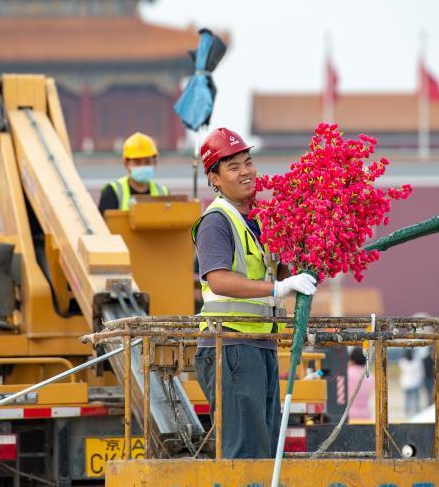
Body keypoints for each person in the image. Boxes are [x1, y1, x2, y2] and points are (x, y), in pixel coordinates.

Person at [191, 127, 316, 458]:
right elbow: (219, 280)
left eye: (247, 162)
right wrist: (279, 287)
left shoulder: (260, 218)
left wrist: (304, 266)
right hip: (231, 345)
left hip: (260, 343)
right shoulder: (217, 221)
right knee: (246, 453)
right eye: (233, 167)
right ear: (215, 178)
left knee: (264, 450)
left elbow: (277, 270)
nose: (245, 172)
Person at [97, 132, 168, 214]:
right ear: (126, 163)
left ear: (155, 162)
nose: (143, 166)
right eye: (137, 162)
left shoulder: (163, 193)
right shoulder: (113, 192)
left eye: (147, 161)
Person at [346, 346, 375, 423]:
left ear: (351, 360)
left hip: (349, 415)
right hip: (366, 415)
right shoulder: (370, 376)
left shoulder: (347, 373)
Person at [399, 348, 425, 417]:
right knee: (415, 399)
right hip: (415, 383)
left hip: (406, 383)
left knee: (408, 399)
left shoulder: (402, 362)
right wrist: (421, 381)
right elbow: (421, 373)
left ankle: (408, 413)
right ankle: (416, 412)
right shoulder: (417, 362)